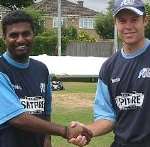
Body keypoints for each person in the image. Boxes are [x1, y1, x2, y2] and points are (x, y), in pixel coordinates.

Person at [0, 10, 92, 147]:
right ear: (4, 38)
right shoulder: (2, 69)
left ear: (33, 34)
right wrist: (66, 131)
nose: (20, 39)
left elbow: (45, 110)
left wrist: (47, 139)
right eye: (13, 35)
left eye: (26, 33)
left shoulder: (41, 69)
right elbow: (17, 118)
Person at [69, 0, 150, 147]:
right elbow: (107, 116)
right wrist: (87, 131)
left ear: (145, 20)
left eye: (134, 20)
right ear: (115, 23)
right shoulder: (109, 67)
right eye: (122, 21)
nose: (128, 26)